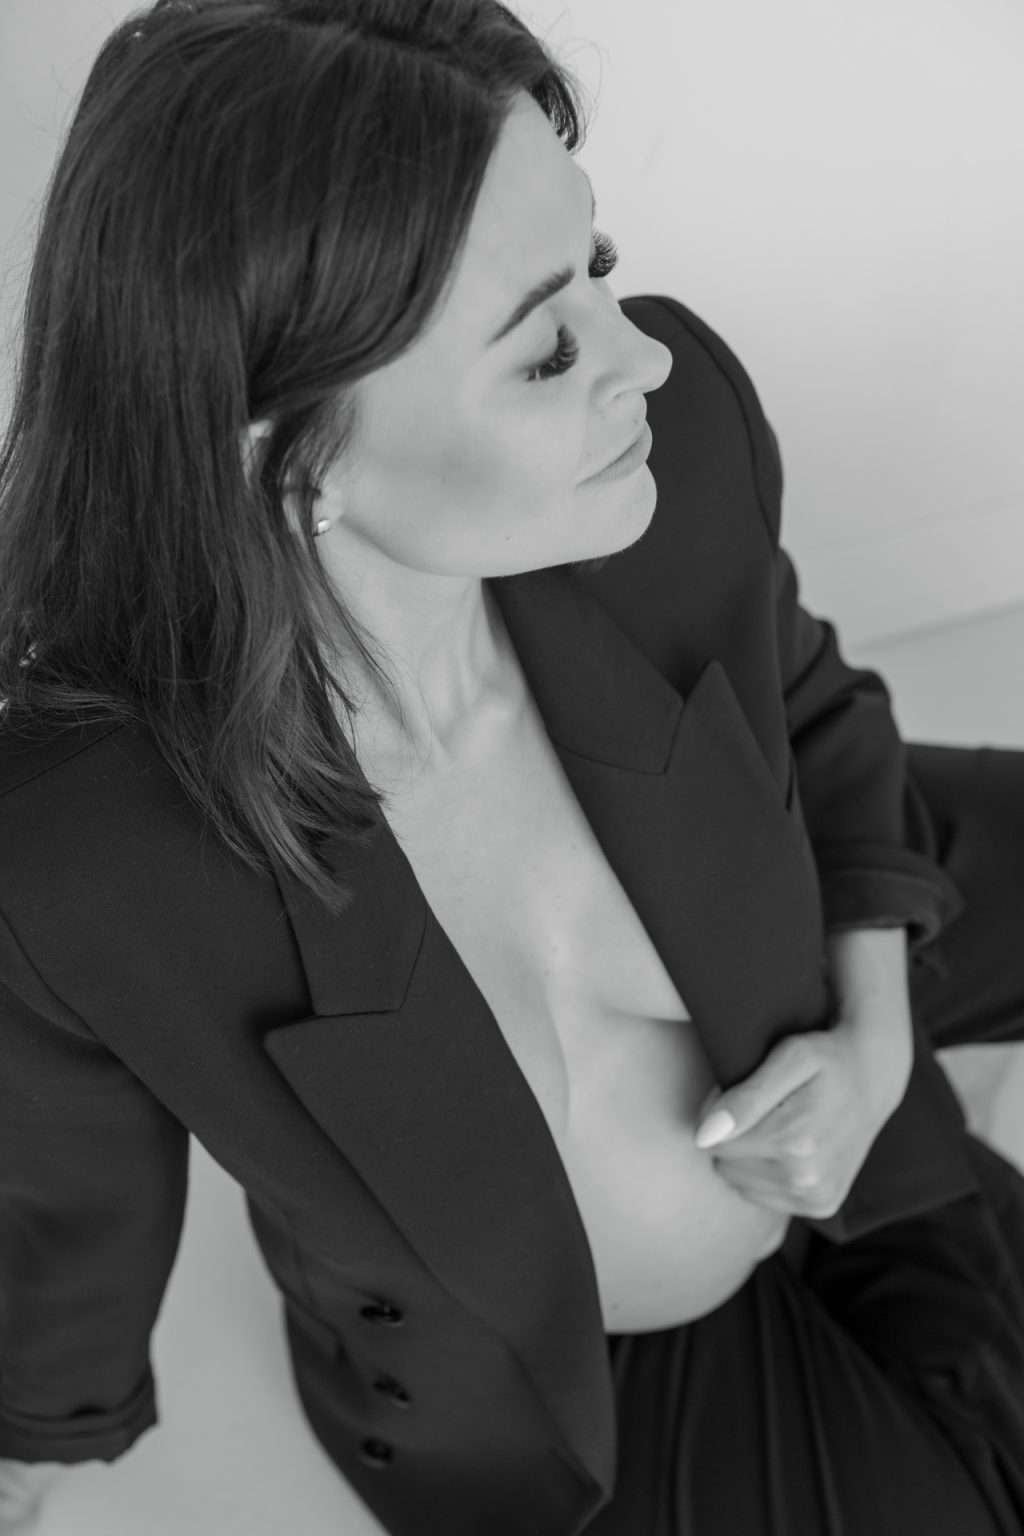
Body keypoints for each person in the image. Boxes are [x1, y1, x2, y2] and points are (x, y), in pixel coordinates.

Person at [1, 2, 1024, 1533]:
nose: (644, 359)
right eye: (548, 346)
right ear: (289, 456)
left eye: (597, 263)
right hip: (587, 1394)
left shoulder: (676, 459)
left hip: (841, 1095)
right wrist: (37, 1440)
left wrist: (875, 1038)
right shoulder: (83, 859)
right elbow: (66, 1200)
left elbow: (814, 713)